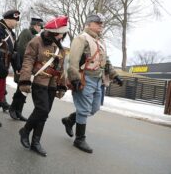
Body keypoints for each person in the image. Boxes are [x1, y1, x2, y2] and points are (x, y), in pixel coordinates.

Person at [63, 13, 123, 154]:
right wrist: (75, 78)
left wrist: (115, 75)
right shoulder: (81, 39)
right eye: (97, 23)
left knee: (94, 108)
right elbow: (73, 61)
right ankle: (79, 139)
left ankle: (70, 120)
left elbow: (105, 61)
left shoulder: (100, 42)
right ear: (89, 24)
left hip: (98, 80)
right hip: (85, 78)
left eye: (101, 23)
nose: (101, 25)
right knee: (84, 109)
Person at [18, 16, 68, 157]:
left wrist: (61, 85)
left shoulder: (60, 48)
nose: (61, 36)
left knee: (44, 114)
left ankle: (36, 142)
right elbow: (27, 61)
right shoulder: (36, 41)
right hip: (39, 80)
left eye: (63, 34)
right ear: (52, 32)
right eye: (59, 33)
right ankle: (25, 130)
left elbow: (61, 68)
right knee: (42, 109)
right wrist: (25, 80)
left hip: (52, 83)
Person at [9, 17, 44, 121]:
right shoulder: (26, 32)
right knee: (20, 88)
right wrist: (18, 66)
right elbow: (20, 50)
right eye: (40, 27)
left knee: (25, 90)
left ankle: (18, 111)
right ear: (35, 25)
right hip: (23, 66)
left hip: (28, 67)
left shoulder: (33, 36)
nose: (40, 29)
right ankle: (13, 109)